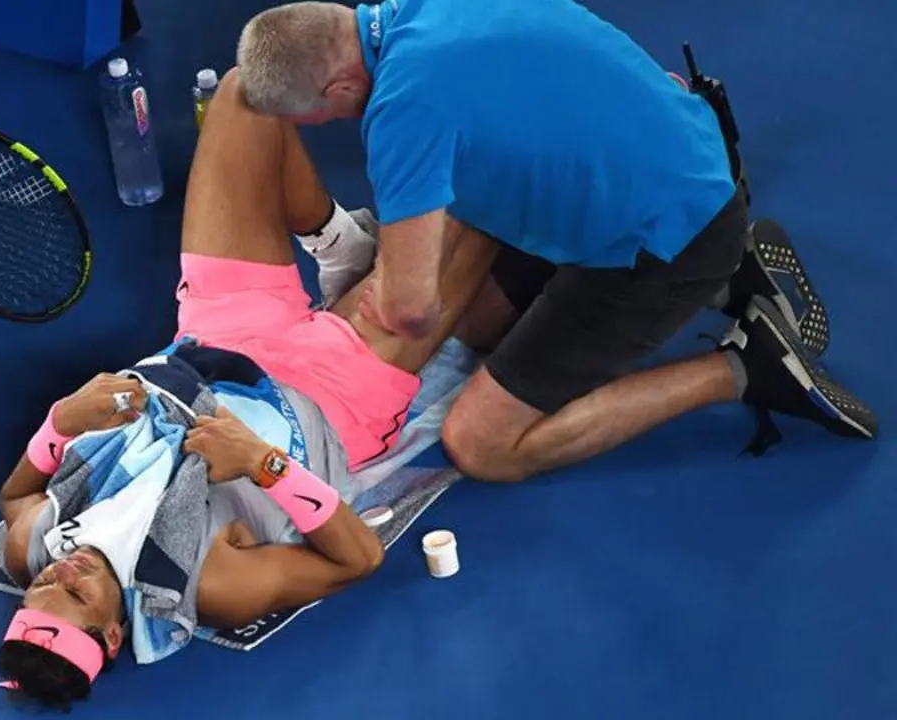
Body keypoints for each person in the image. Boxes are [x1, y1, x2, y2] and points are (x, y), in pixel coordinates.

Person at [0, 68, 492, 711]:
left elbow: (16, 494)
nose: (66, 571)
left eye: (43, 587)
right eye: (78, 595)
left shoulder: (33, 548)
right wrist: (265, 464)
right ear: (113, 635)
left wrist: (62, 422)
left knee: (246, 92)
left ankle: (341, 249)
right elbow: (357, 560)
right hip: (329, 394)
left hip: (213, 338)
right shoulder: (215, 587)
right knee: (485, 198)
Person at [235, 0, 877, 482]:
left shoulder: (403, 111)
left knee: (481, 445)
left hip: (671, 236)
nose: (322, 127)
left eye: (313, 118)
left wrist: (379, 287)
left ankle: (746, 367)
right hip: (692, 156)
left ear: (340, 87)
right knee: (481, 325)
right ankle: (727, 279)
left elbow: (410, 310)